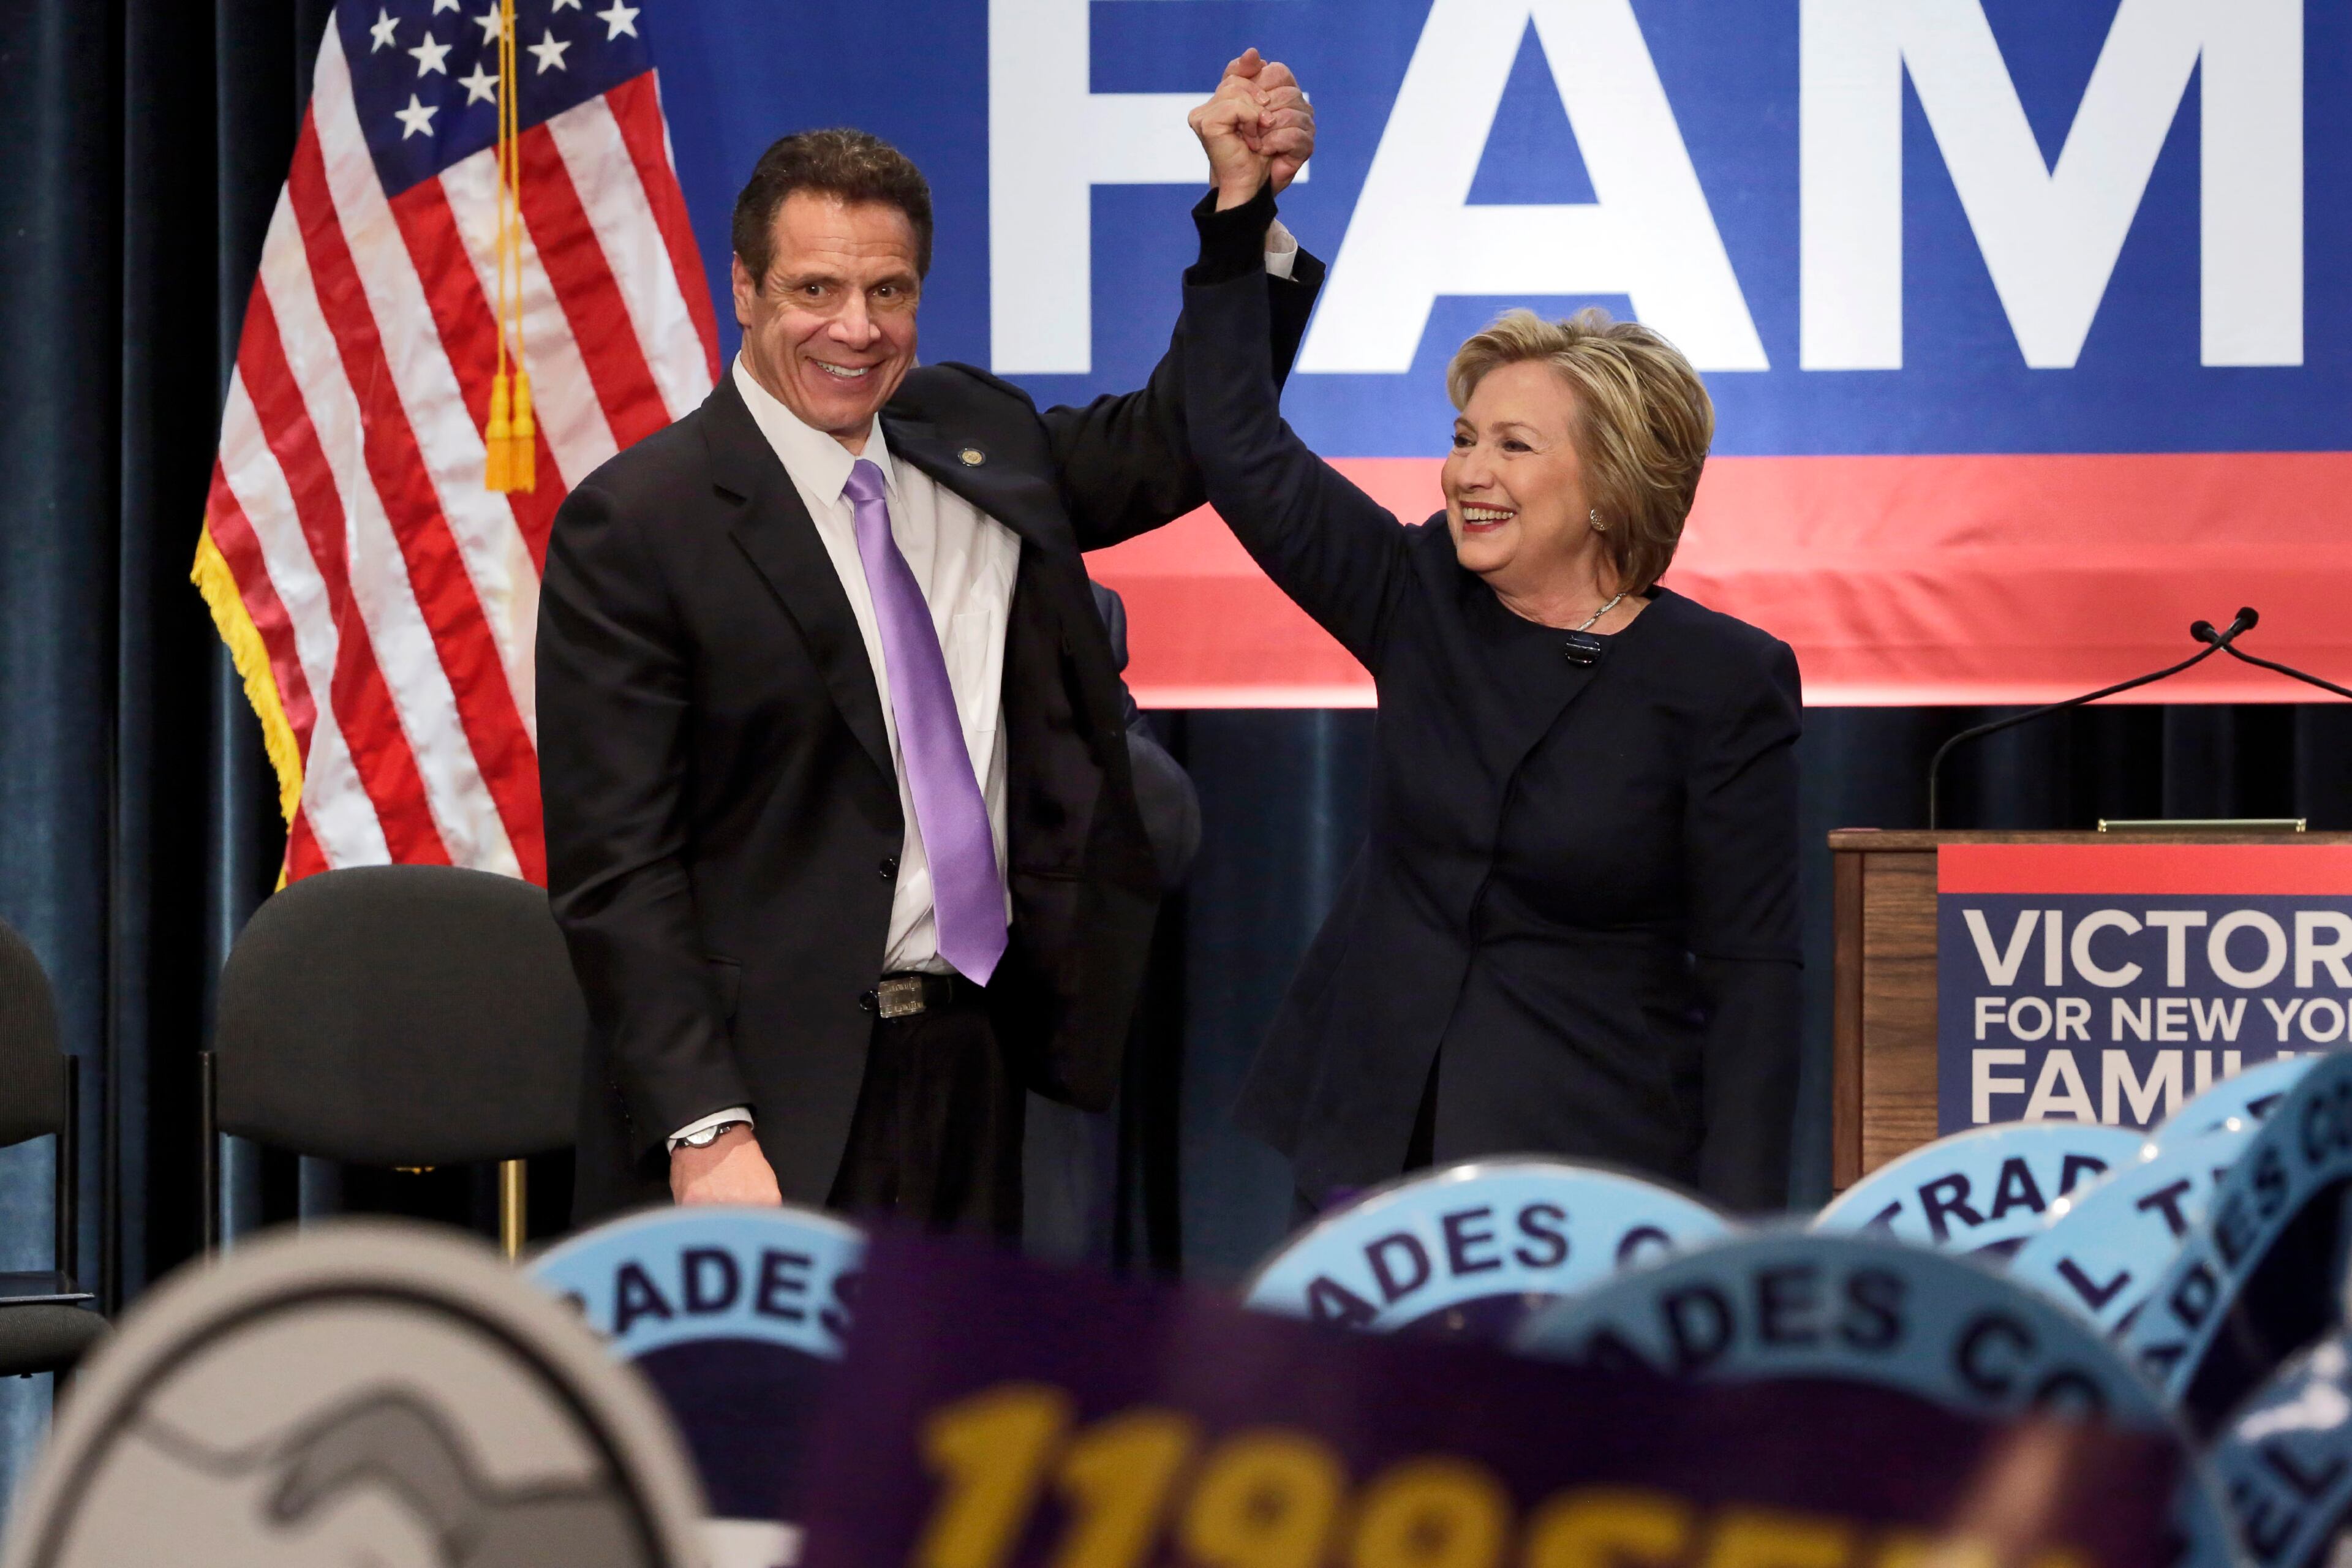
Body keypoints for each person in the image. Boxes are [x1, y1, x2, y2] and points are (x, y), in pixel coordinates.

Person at [538, 69, 1322, 1233]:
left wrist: (1241, 215)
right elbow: (620, 871)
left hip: (979, 1067)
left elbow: (1187, 441)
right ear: (743, 291)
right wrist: (706, 1126)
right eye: (815, 288)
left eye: (887, 290)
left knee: (960, 1415)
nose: (856, 329)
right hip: (768, 1105)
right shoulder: (639, 523)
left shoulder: (973, 435)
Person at [1175, 74, 1802, 1212]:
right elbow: (1233, 445)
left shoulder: (1722, 680)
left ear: (1613, 487)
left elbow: (1756, 977)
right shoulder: (1416, 595)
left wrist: (1743, 1240)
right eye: (1464, 438)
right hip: (1378, 1153)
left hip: (1596, 1162)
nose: (1468, 472)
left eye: (1513, 446)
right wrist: (1238, 216)